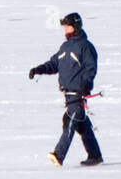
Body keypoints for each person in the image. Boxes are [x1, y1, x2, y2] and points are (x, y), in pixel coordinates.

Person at [28, 12, 103, 166]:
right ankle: (95, 155)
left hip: (78, 93)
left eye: (67, 27)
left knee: (70, 123)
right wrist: (38, 69)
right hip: (68, 94)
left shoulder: (85, 47)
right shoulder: (65, 47)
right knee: (80, 124)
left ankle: (59, 155)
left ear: (75, 27)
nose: (65, 30)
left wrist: (86, 86)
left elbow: (91, 69)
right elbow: (54, 64)